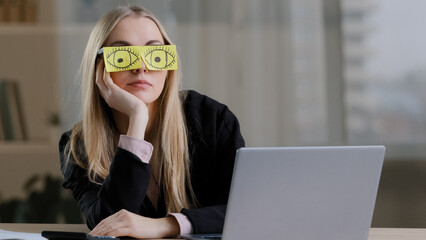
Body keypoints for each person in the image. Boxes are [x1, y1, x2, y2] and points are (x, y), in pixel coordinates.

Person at [59, 5, 245, 239]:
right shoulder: (78, 147)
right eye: (122, 57)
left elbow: (245, 210)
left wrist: (165, 226)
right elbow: (109, 224)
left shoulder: (212, 120)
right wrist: (137, 118)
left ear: (169, 66)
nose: (141, 67)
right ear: (98, 68)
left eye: (156, 54)